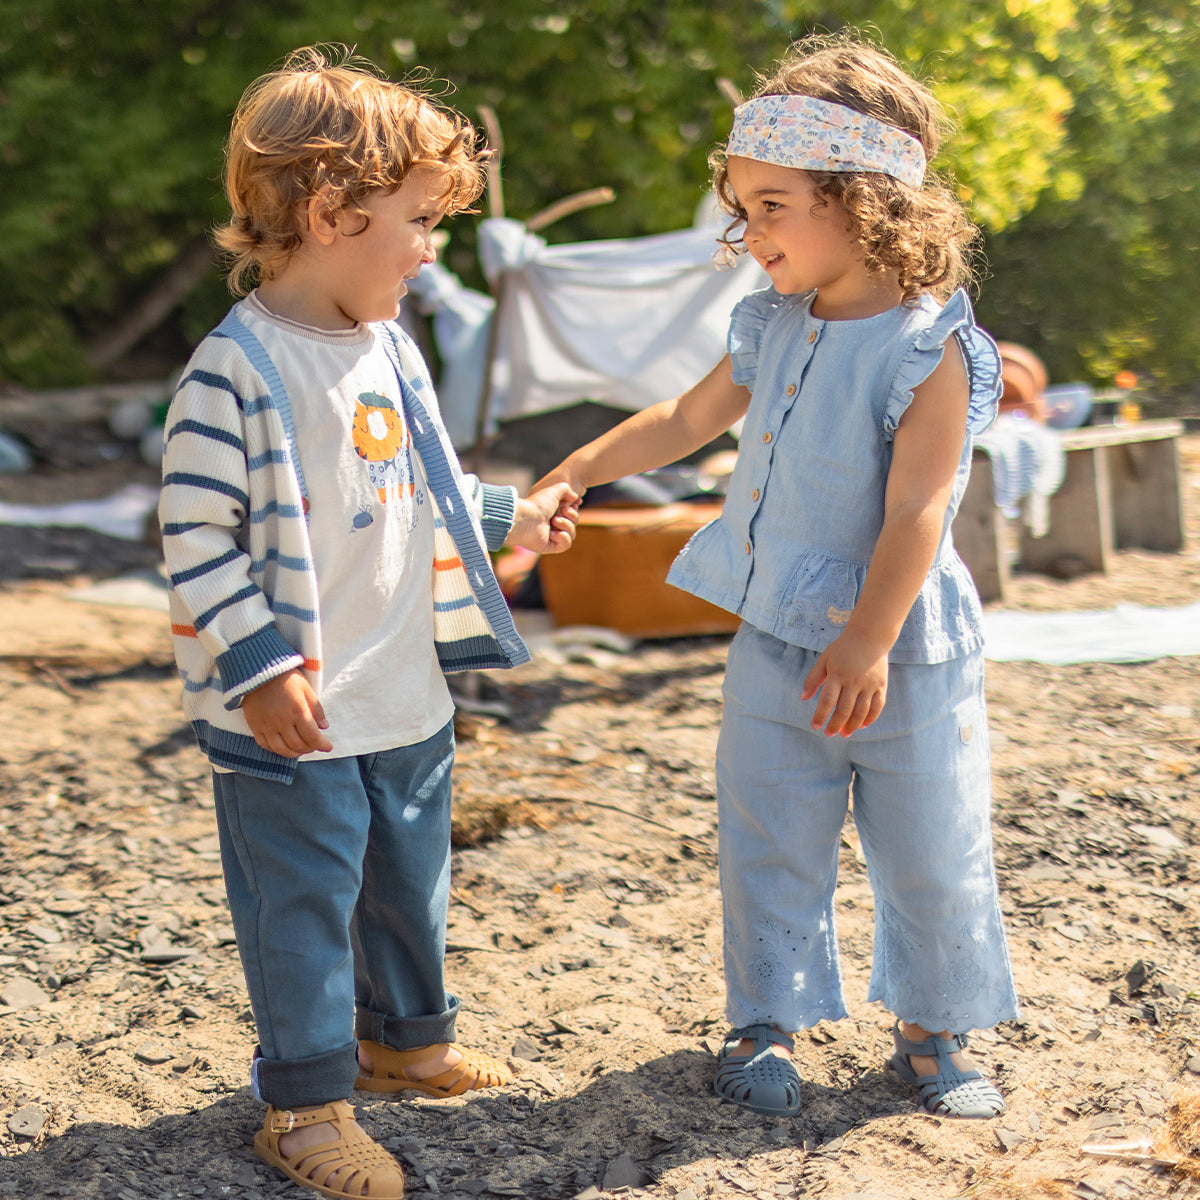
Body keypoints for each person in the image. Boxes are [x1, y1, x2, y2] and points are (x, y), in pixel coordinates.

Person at [538, 33, 1019, 1120]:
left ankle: (934, 1027)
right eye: (743, 209)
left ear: (865, 201)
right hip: (773, 635)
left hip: (902, 648)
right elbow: (685, 418)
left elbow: (918, 508)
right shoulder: (771, 324)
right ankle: (766, 1020)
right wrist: (582, 467)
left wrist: (865, 641)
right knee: (769, 832)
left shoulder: (929, 344)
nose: (748, 235)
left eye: (771, 206)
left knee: (930, 844)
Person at [158, 46, 578, 1200]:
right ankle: (302, 1107)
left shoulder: (391, 345)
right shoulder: (232, 373)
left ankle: (407, 1041)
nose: (432, 250)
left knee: (409, 877)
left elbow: (422, 481)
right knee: (300, 903)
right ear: (334, 211)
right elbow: (194, 536)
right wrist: (259, 663)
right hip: (292, 707)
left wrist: (513, 515)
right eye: (420, 223)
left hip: (405, 693)